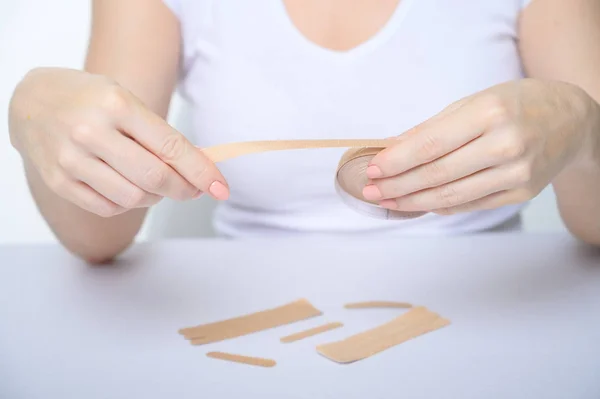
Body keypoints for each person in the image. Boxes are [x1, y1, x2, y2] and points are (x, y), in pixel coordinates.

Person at [7, 0, 600, 263]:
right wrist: (33, 116)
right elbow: (97, 238)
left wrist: (583, 127)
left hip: (497, 319)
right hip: (260, 338)